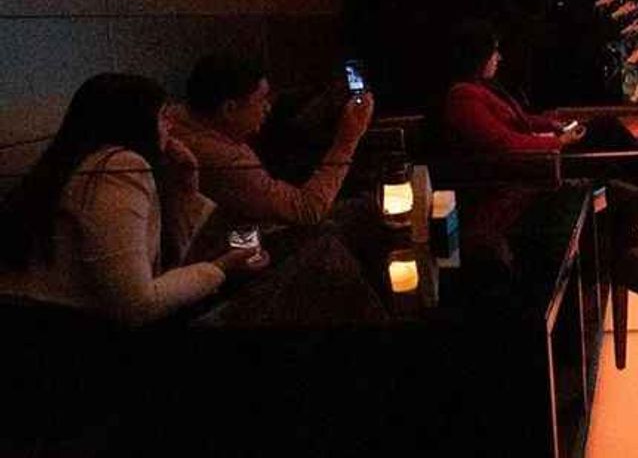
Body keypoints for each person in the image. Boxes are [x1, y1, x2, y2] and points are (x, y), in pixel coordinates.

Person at [0, 74, 265, 324]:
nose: (171, 126)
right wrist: (221, 269)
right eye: (163, 116)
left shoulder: (81, 161)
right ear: (135, 122)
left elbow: (162, 267)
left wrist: (185, 189)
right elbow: (137, 304)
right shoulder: (116, 167)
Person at [173, 53, 375, 228]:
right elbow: (308, 211)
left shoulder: (181, 120)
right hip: (241, 247)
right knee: (365, 211)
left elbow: (280, 131)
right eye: (261, 100)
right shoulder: (222, 159)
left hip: (241, 228)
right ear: (229, 109)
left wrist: (320, 106)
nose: (267, 107)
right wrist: (347, 140)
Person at [442, 22, 586, 153]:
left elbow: (519, 121)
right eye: (494, 51)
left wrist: (552, 125)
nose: (499, 58)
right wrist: (559, 141)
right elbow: (502, 142)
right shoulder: (463, 95)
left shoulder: (481, 87)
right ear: (479, 55)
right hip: (503, 169)